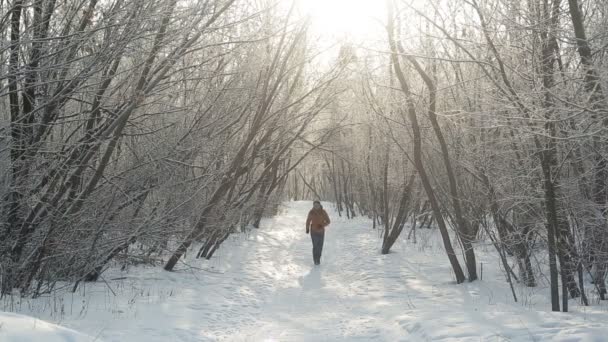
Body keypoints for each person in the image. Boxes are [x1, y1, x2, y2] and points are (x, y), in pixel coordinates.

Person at [305, 200, 331, 265]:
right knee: (315, 246)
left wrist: (322, 225)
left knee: (320, 246)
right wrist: (307, 228)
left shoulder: (323, 212)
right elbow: (308, 221)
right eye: (314, 205)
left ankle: (318, 258)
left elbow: (328, 221)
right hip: (313, 232)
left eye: (317, 205)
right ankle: (315, 260)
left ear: (319, 205)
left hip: (321, 232)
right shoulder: (311, 212)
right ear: (313, 205)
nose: (316, 206)